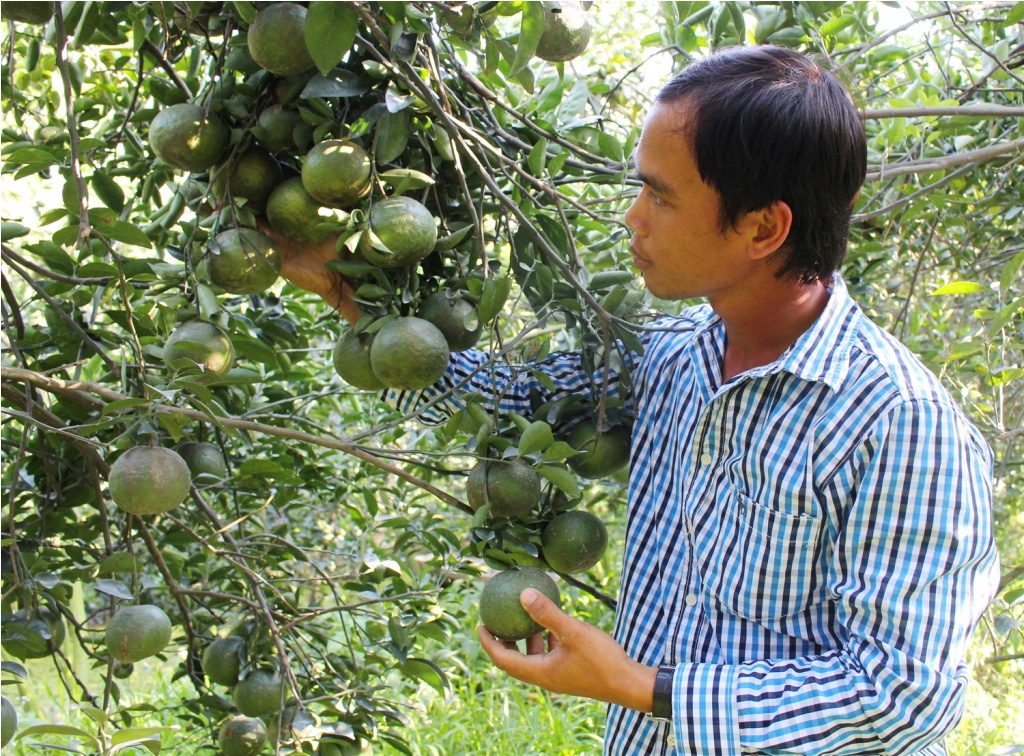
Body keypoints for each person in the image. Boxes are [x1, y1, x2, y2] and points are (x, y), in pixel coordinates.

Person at [271, 45, 999, 756]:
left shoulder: (898, 425)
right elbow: (507, 404)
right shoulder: (676, 354)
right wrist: (350, 297)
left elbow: (903, 698)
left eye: (660, 194)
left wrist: (646, 688)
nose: (632, 217)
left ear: (763, 227)